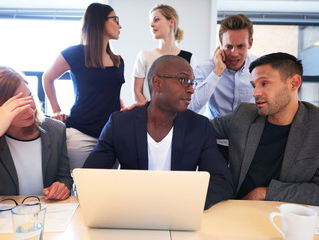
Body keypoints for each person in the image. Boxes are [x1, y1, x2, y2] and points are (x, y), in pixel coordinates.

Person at [84, 55, 234, 209]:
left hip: (179, 214)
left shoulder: (199, 127)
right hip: (132, 213)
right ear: (157, 83)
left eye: (192, 83)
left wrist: (184, 203)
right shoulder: (120, 124)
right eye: (184, 81)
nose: (190, 90)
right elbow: (90, 176)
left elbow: (221, 182)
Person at [210, 52, 319, 206]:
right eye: (254, 85)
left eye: (264, 83)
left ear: (294, 83)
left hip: (287, 217)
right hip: (236, 212)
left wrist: (264, 193)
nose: (255, 93)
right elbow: (199, 128)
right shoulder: (244, 115)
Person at [0, 66, 73, 215]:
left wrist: (62, 186)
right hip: (0, 222)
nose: (30, 108)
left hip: (45, 217)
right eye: (17, 104)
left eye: (29, 96)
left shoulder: (56, 130)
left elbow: (64, 177)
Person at [43, 3, 124, 170]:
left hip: (111, 135)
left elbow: (112, 93)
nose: (119, 25)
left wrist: (125, 112)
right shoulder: (74, 53)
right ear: (99, 21)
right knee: (82, 188)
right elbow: (47, 77)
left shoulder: (118, 61)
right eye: (115, 19)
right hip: (81, 133)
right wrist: (56, 110)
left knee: (108, 189)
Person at [188, 14, 257, 159]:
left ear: (250, 44)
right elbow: (192, 106)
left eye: (240, 46)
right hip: (214, 142)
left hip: (250, 143)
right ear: (220, 45)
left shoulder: (259, 68)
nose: (234, 53)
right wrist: (217, 71)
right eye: (229, 46)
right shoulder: (206, 69)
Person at [132, 4, 196, 103]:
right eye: (150, 22)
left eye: (156, 19)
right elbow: (137, 92)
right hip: (149, 115)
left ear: (171, 21)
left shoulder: (188, 58)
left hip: (178, 116)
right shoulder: (144, 56)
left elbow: (190, 91)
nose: (151, 25)